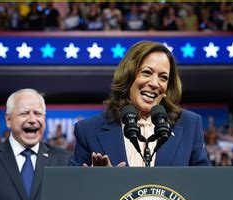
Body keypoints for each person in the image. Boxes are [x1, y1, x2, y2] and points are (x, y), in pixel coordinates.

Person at [70, 41, 210, 167]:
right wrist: (101, 182)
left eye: (163, 77)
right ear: (128, 76)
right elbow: (73, 190)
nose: (155, 84)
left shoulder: (189, 124)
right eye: (147, 73)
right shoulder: (89, 130)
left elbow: (203, 186)